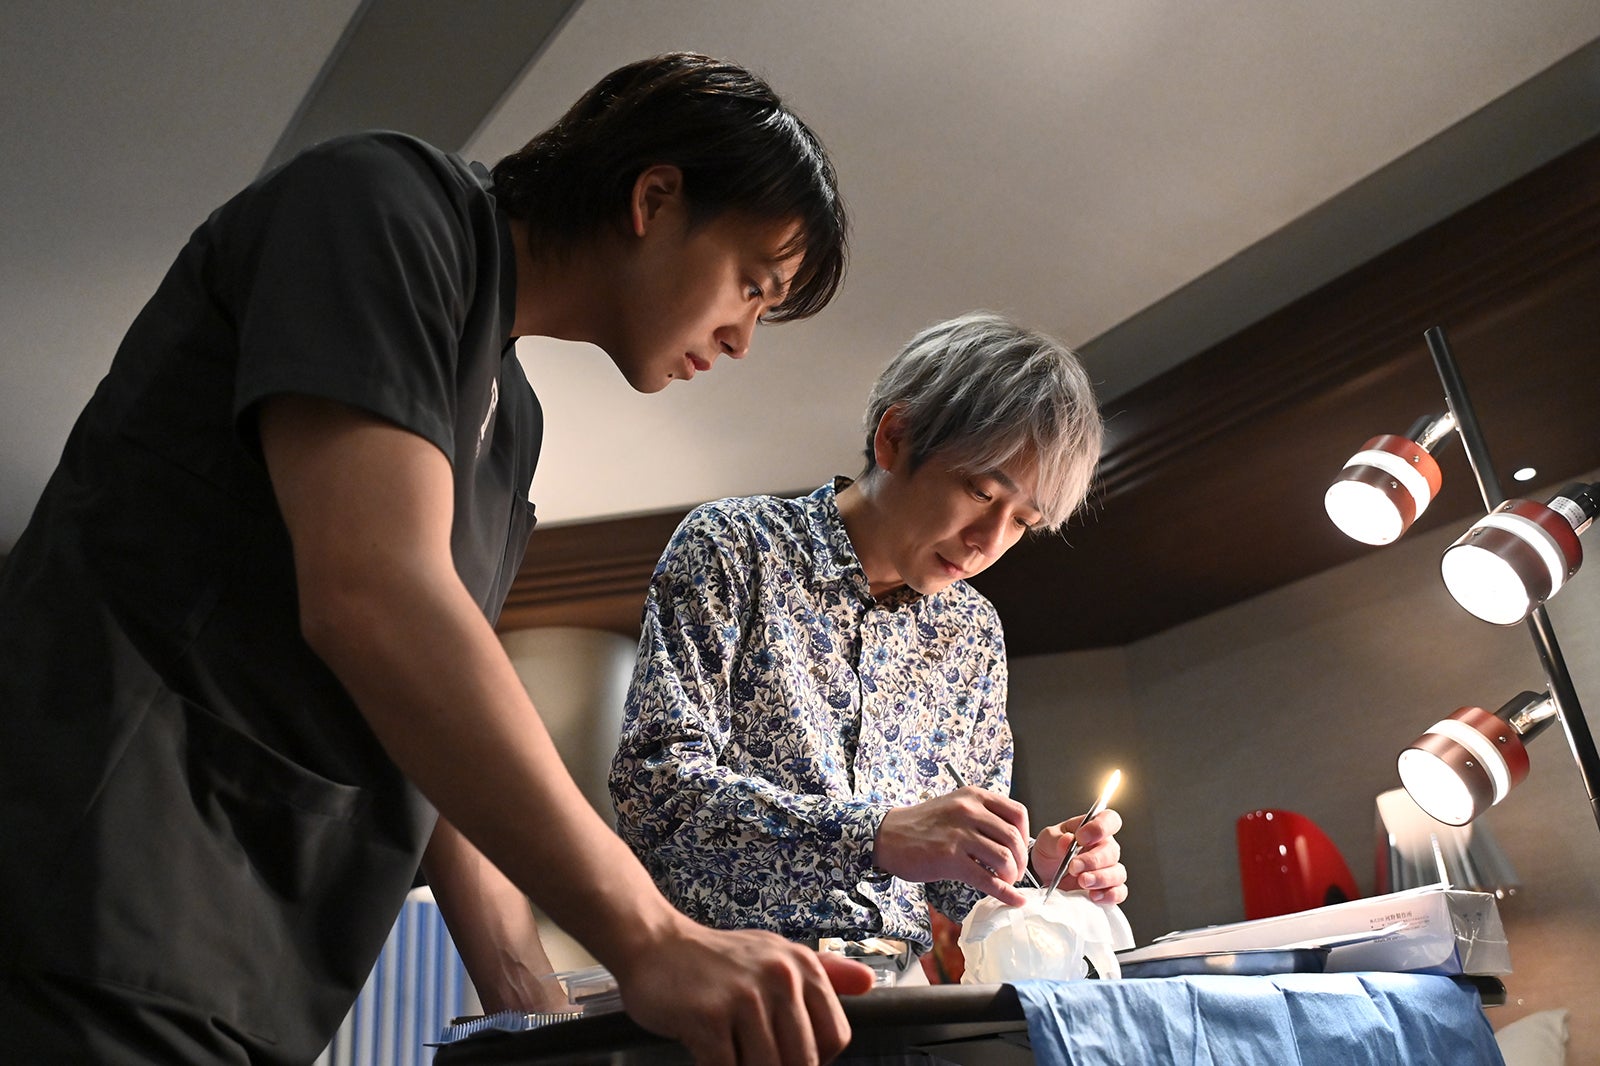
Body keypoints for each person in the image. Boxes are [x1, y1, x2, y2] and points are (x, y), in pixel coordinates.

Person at [0, 52, 873, 1066]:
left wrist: (537, 1016)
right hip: (90, 889)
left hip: (243, 974)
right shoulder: (379, 206)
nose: (741, 339)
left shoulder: (512, 427)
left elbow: (435, 725)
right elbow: (379, 599)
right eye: (752, 286)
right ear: (654, 198)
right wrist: (651, 935)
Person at [611, 313, 1128, 982]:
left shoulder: (973, 632)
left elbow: (956, 881)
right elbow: (655, 790)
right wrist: (877, 835)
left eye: (1022, 523)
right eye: (981, 491)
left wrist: (1034, 869)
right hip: (728, 979)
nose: (988, 541)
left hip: (898, 993)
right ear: (895, 437)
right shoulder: (735, 548)